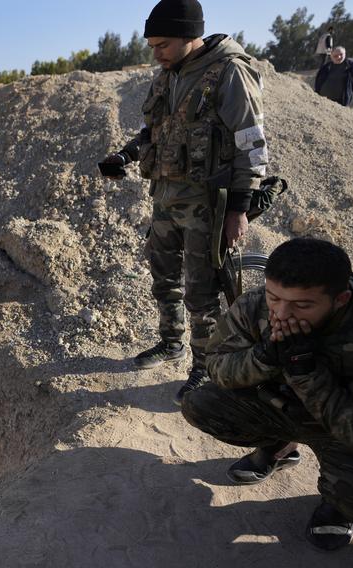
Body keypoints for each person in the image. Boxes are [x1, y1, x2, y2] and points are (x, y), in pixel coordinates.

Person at [181, 238, 353, 551]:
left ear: (340, 299)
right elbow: (218, 366)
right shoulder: (258, 303)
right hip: (287, 407)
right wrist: (265, 356)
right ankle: (278, 447)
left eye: (303, 305)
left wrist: (308, 374)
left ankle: (338, 504)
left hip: (351, 430)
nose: (283, 313)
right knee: (202, 404)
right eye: (275, 298)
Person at [99, 0, 268, 405]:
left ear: (190, 36)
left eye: (163, 44)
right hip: (166, 196)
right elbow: (155, 131)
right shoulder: (167, 76)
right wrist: (125, 155)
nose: (156, 53)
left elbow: (251, 144)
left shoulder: (229, 72)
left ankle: (205, 369)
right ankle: (170, 343)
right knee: (163, 277)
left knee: (202, 290)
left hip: (207, 204)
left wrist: (238, 209)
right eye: (152, 45)